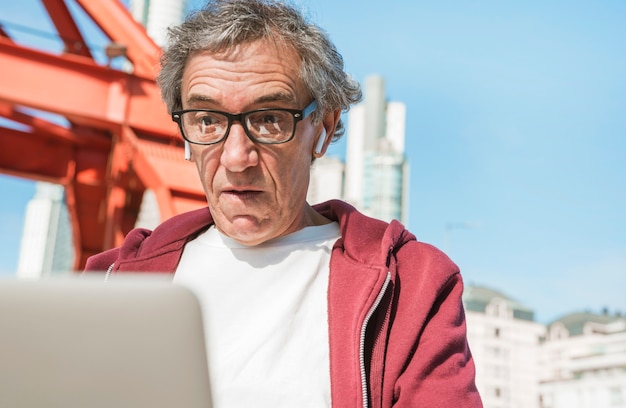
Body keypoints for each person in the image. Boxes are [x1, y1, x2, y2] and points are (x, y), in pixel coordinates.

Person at [85, 0, 483, 407]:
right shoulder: (110, 280)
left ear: (323, 129)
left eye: (269, 119)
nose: (236, 157)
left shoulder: (413, 285)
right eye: (207, 120)